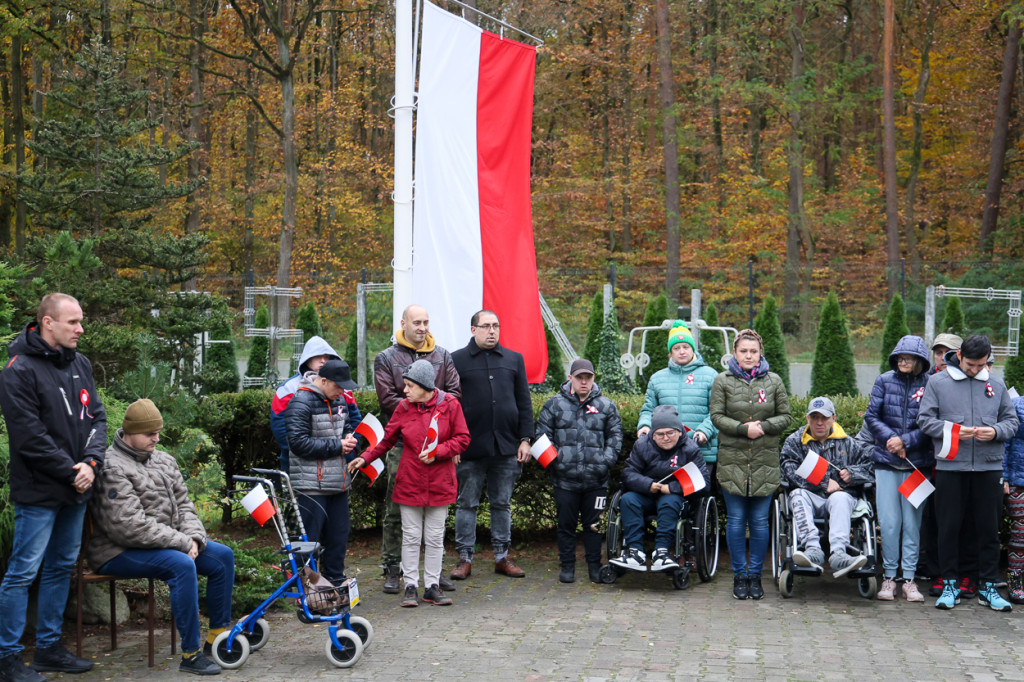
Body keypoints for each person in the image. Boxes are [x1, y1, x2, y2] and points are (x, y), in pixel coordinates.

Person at [0, 293, 106, 682]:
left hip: (77, 489)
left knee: (61, 568)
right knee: (23, 572)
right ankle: (7, 659)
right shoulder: (18, 370)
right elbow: (29, 436)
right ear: (48, 323)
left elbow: (97, 417)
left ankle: (48, 649)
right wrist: (71, 470)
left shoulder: (80, 363)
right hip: (40, 492)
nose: (80, 329)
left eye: (80, 322)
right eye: (73, 322)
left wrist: (92, 464)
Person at [87, 400, 235, 676]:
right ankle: (190, 656)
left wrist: (193, 538)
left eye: (158, 432)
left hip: (166, 543)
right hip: (115, 551)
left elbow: (185, 505)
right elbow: (128, 526)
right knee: (180, 565)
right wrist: (181, 543)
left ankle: (217, 639)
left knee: (222, 557)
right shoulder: (112, 467)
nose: (156, 438)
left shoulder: (164, 459)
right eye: (149, 433)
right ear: (129, 432)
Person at [349, 360, 470, 607]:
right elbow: (386, 440)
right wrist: (365, 457)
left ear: (425, 386)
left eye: (409, 386)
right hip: (410, 481)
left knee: (435, 537)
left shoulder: (450, 405)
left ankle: (432, 586)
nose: (404, 391)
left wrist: (439, 451)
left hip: (440, 481)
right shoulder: (404, 407)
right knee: (411, 536)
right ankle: (411, 586)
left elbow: (463, 438)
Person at [918, 334, 1019, 611]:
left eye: (982, 365)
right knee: (948, 527)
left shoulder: (995, 382)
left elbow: (1011, 422)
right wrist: (952, 432)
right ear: (959, 355)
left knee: (988, 529)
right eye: (971, 364)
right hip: (952, 466)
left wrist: (996, 431)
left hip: (989, 467)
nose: (976, 371)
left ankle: (987, 584)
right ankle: (949, 583)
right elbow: (925, 420)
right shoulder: (938, 382)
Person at [373, 304, 461, 594]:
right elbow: (389, 399)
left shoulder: (443, 355)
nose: (422, 327)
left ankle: (433, 577)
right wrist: (419, 411)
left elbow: (454, 395)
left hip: (439, 448)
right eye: (417, 322)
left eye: (426, 321)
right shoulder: (386, 358)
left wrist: (445, 444)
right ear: (404, 324)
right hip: (402, 445)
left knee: (437, 518)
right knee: (396, 510)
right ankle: (392, 568)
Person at [450, 310, 534, 580]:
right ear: (473, 329)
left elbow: (524, 402)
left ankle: (502, 556)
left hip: (506, 447)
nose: (492, 331)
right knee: (467, 504)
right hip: (469, 448)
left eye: (496, 325)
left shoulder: (513, 359)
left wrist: (525, 439)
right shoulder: (456, 360)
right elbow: (450, 405)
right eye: (486, 326)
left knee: (502, 504)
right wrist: (453, 445)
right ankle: (464, 558)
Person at [709, 329, 791, 600]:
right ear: (734, 352)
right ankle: (739, 575)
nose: (748, 355)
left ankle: (755, 575)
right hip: (732, 461)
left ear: (760, 353)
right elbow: (717, 417)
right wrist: (744, 430)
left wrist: (764, 427)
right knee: (734, 521)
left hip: (764, 462)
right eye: (743, 351)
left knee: (758, 522)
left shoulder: (774, 381)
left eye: (753, 351)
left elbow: (786, 417)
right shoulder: (722, 381)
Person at [535, 358, 623, 584]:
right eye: (579, 377)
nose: (584, 382)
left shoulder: (606, 405)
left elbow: (615, 436)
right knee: (566, 525)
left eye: (588, 377)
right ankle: (567, 566)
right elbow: (542, 438)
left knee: (594, 526)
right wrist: (558, 463)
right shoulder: (554, 405)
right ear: (570, 378)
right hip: (565, 481)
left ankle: (594, 566)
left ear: (594, 378)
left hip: (597, 481)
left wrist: (605, 461)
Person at [864, 335, 932, 602]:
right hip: (886, 464)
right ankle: (889, 578)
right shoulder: (883, 380)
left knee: (912, 525)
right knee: (890, 524)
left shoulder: (930, 384)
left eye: (909, 357)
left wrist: (906, 441)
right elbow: (871, 416)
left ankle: (910, 580)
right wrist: (892, 441)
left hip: (917, 466)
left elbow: (931, 423)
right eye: (900, 357)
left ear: (919, 361)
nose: (903, 361)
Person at [284, 358, 359, 587]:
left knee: (338, 538)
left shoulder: (340, 400)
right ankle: (305, 586)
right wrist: (338, 445)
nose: (342, 391)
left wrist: (348, 437)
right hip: (310, 486)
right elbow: (298, 444)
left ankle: (335, 582)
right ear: (323, 380)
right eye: (338, 386)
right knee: (309, 542)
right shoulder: (300, 401)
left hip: (338, 482)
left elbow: (345, 426)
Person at [781, 397, 874, 580]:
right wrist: (824, 482)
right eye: (814, 417)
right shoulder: (795, 441)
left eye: (824, 417)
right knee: (796, 494)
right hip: (810, 496)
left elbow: (870, 468)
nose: (819, 422)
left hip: (840, 499)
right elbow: (788, 469)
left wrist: (851, 474)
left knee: (839, 497)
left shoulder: (848, 443)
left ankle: (839, 554)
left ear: (833, 418)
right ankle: (813, 550)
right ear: (807, 418)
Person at [610, 406, 708, 572]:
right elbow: (628, 473)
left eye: (670, 433)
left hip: (675, 497)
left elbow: (703, 483)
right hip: (647, 494)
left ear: (679, 431)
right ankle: (635, 552)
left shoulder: (690, 449)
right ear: (652, 435)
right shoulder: (642, 445)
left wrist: (672, 488)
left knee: (669, 502)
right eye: (660, 434)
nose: (666, 438)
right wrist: (648, 484)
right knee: (627, 499)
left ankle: (661, 553)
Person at [270, 336, 360, 472]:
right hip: (301, 467)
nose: (323, 361)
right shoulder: (288, 388)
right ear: (307, 359)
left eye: (327, 357)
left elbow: (354, 420)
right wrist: (301, 455)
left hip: (338, 465)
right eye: (318, 356)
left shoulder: (343, 388)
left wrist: (351, 451)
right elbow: (280, 427)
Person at [637, 321, 719, 470]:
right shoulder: (657, 378)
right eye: (676, 348)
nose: (682, 351)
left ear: (692, 349)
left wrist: (704, 430)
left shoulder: (711, 375)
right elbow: (649, 409)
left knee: (696, 492)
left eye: (686, 347)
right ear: (670, 352)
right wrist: (644, 425)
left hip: (700, 451)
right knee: (669, 492)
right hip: (665, 453)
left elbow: (717, 411)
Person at [921, 333, 963, 597]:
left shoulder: (967, 382)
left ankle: (960, 573)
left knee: (958, 522)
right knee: (932, 521)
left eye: (947, 351)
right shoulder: (925, 382)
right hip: (927, 466)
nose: (941, 356)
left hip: (958, 467)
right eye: (938, 351)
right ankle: (936, 572)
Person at [1004, 394, 1024, 604]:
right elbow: (1005, 442)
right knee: (1021, 531)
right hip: (1019, 480)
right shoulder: (1017, 405)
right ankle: (1015, 581)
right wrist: (1005, 477)